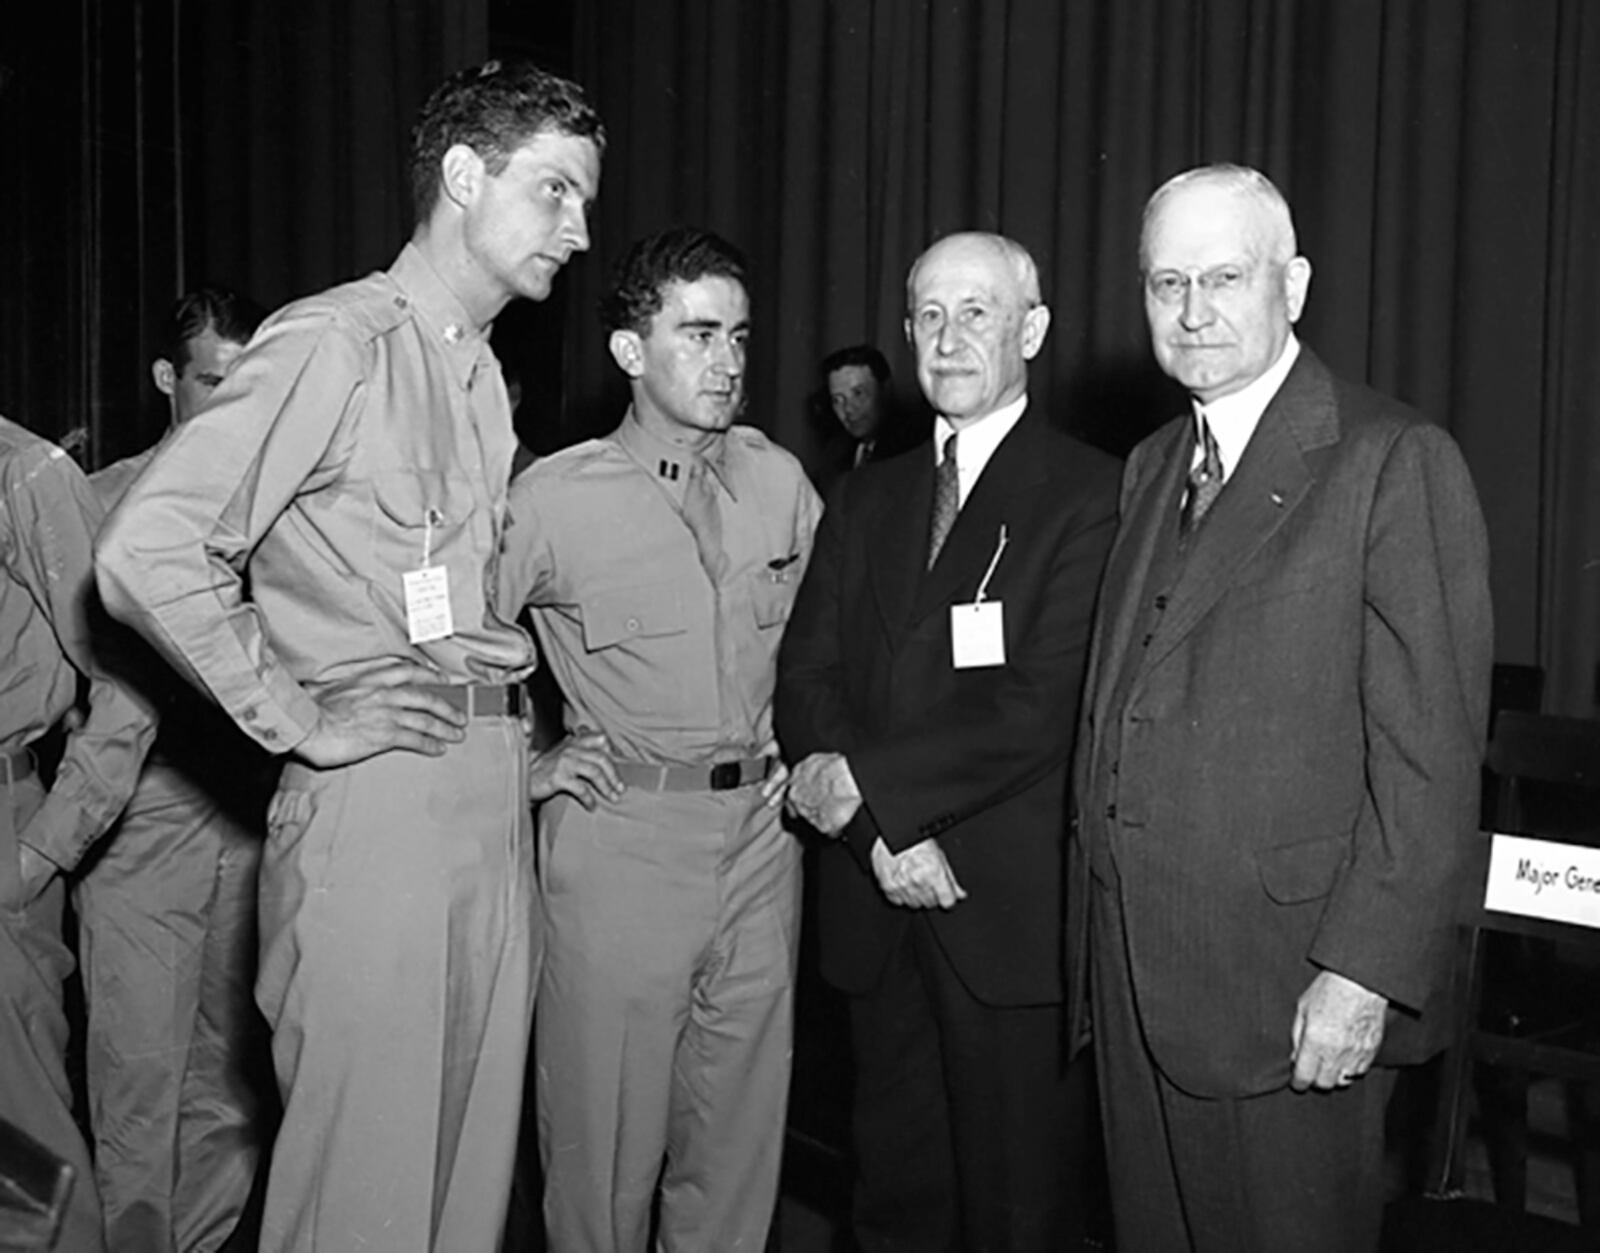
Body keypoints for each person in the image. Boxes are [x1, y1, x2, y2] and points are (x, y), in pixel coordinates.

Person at [95, 60, 604, 1252]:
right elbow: (146, 548)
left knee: (461, 1202)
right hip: (379, 816)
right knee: (362, 1210)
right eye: (556, 192)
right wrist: (299, 717)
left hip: (482, 806)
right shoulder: (336, 341)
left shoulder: (478, 374)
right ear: (465, 176)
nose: (580, 230)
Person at [1069, 164, 1493, 1253]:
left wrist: (1363, 971)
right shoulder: (1156, 462)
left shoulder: (1391, 459)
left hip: (1285, 991)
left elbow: (1430, 759)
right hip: (1134, 980)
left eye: (1224, 276)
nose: (1194, 310)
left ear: (1292, 285)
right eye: (1167, 282)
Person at [777, 230, 1120, 1252]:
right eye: (929, 314)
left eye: (977, 312)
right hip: (877, 904)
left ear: (1034, 330)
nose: (949, 336)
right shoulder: (865, 493)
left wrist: (875, 793)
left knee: (1018, 1214)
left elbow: (1038, 705)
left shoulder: (1092, 491)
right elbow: (804, 677)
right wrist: (879, 836)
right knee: (892, 1203)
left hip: (1000, 920)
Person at [498, 226, 821, 1252]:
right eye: (696, 334)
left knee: (736, 1145)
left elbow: (839, 644)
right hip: (622, 842)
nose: (726, 360)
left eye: (737, 335)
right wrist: (529, 763)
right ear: (630, 351)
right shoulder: (553, 497)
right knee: (604, 1149)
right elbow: (450, 652)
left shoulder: (778, 483)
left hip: (763, 847)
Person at [76, 285, 272, 1253]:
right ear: (167, 379)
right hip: (141, 827)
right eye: (212, 381)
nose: (234, 407)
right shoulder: (102, 502)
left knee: (232, 1096)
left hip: (250, 826)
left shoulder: (285, 512)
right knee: (139, 1093)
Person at [2, 415, 155, 1253]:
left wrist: (43, 845)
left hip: (4, 827)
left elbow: (130, 677)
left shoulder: (24, 473)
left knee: (20, 1156)